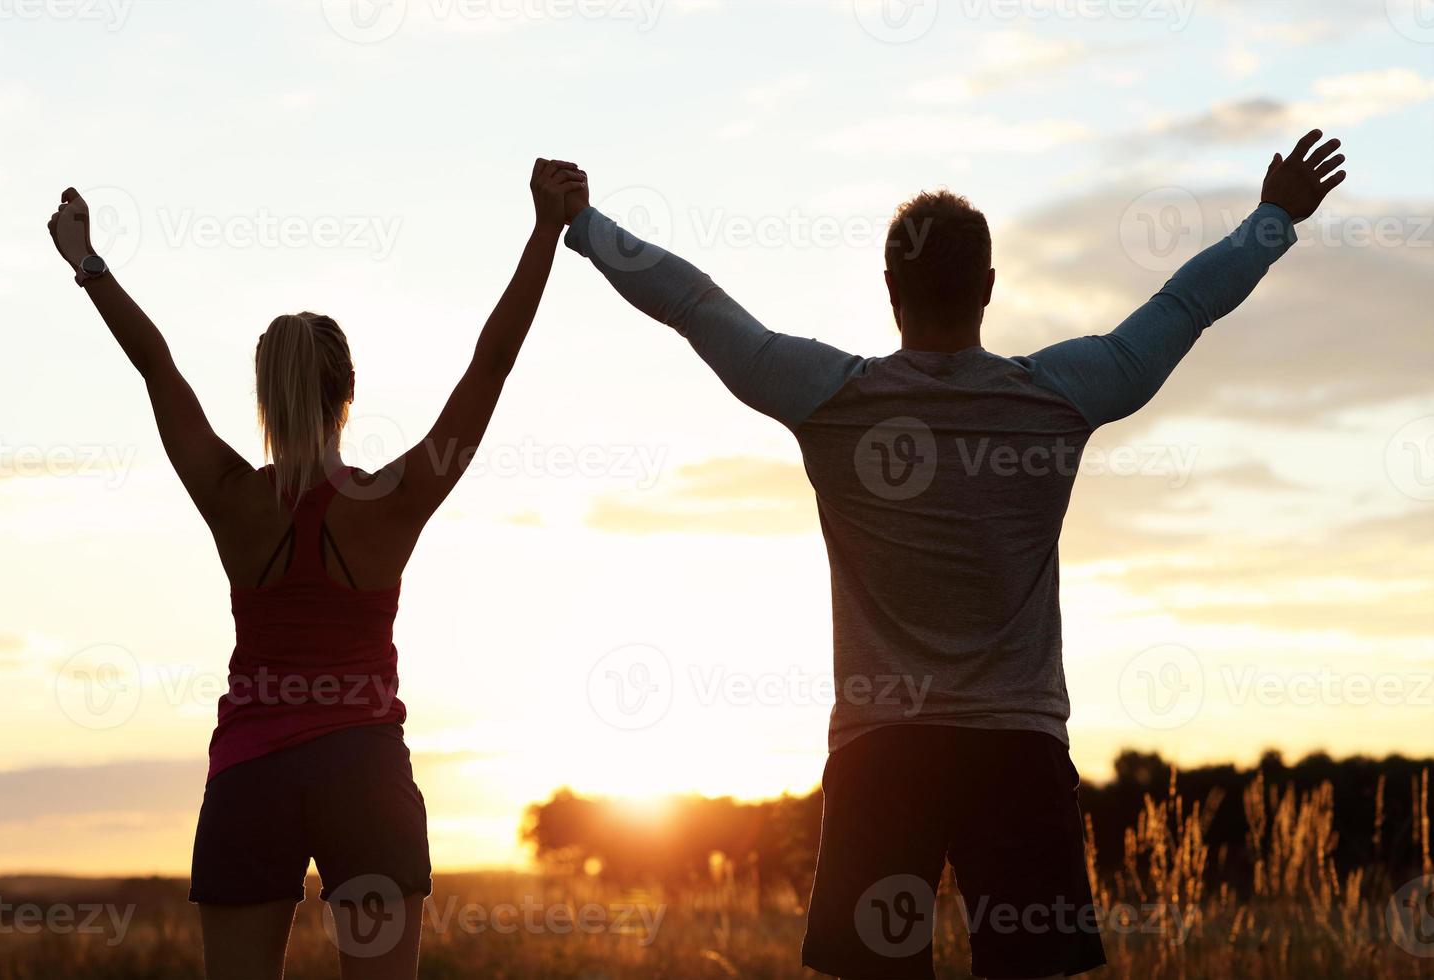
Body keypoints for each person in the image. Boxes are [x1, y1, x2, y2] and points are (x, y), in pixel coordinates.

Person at [562, 131, 1346, 979]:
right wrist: (1273, 218)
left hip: (881, 752)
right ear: (989, 288)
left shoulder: (826, 398)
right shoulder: (1058, 397)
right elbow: (1183, 306)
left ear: (890, 290)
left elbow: (694, 303)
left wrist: (585, 221)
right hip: (1018, 751)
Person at [46, 158, 589, 980]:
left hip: (249, 780)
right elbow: (491, 365)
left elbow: (157, 367)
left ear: (264, 396)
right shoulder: (393, 501)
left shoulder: (231, 499)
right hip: (362, 776)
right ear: (349, 394)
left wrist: (88, 263)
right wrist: (544, 231)